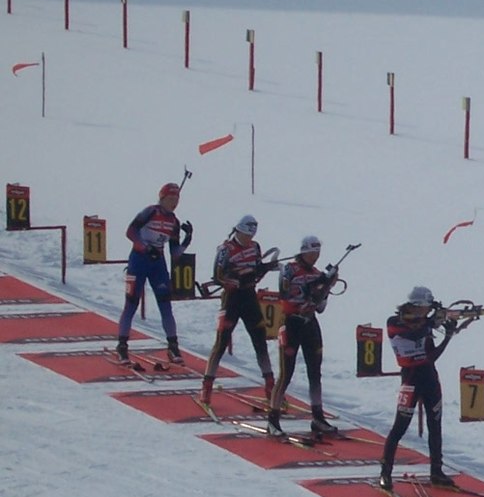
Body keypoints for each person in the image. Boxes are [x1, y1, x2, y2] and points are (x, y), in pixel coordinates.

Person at [378, 286, 458, 491]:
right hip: (410, 378)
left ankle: (436, 471)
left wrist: (448, 336)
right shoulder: (394, 322)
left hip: (428, 376)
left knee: (435, 425)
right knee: (400, 427)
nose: (427, 311)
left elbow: (431, 357)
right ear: (418, 306)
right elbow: (412, 333)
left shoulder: (425, 325)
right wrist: (433, 321)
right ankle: (385, 472)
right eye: (426, 308)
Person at [199, 214, 276, 406]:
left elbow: (256, 270)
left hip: (249, 298)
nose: (248, 239)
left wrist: (263, 269)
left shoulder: (255, 247)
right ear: (239, 231)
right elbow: (218, 275)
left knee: (260, 340)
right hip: (231, 300)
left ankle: (270, 384)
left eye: (251, 236)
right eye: (245, 235)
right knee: (221, 342)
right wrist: (231, 278)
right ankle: (207, 386)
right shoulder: (226, 249)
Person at [113, 180, 192, 363]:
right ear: (162, 198)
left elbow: (175, 253)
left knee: (165, 305)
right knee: (131, 303)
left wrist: (187, 239)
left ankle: (173, 347)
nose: (175, 202)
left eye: (177, 198)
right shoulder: (151, 211)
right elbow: (130, 232)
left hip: (158, 264)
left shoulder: (174, 222)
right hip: (139, 261)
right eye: (171, 198)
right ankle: (122, 345)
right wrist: (144, 247)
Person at [268, 236, 334, 437]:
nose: (315, 257)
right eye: (312, 253)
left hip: (310, 324)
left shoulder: (316, 273)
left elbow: (320, 307)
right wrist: (314, 286)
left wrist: (326, 287)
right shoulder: (290, 268)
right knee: (286, 373)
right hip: (291, 323)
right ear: (304, 251)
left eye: (318, 254)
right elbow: (285, 294)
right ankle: (273, 420)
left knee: (315, 373)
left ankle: (318, 417)